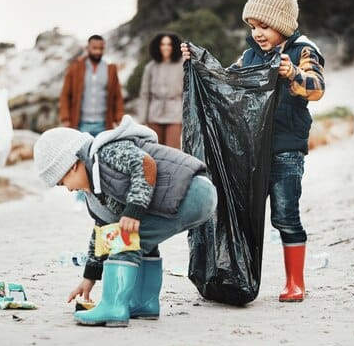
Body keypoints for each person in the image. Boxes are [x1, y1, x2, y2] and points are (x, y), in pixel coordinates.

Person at [182, 0, 325, 302]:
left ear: (283, 23)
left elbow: (317, 87)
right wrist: (197, 61)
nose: (258, 33)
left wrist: (293, 75)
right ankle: (238, 272)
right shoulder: (250, 55)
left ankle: (295, 282)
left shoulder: (302, 49)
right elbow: (225, 81)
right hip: (251, 151)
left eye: (264, 26)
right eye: (252, 27)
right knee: (243, 212)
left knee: (285, 213)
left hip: (286, 148)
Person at [34, 115, 217, 327]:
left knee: (125, 240)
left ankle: (114, 306)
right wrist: (89, 277)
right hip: (188, 198)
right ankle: (144, 303)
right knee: (137, 240)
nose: (68, 189)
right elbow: (102, 233)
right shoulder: (94, 192)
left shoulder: (105, 152)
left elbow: (145, 164)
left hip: (193, 191)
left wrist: (134, 210)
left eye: (62, 181)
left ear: (72, 165)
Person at [59, 34, 124, 208]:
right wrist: (66, 118)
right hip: (82, 123)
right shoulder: (76, 68)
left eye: (101, 48)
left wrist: (119, 118)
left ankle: (103, 199)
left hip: (104, 123)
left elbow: (117, 96)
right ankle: (81, 199)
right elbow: (66, 94)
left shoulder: (110, 69)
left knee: (103, 161)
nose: (98, 51)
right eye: (94, 48)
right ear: (88, 48)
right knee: (80, 161)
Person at [136, 32, 184, 149]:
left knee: (173, 151)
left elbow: (187, 92)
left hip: (175, 113)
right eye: (163, 44)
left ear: (174, 47)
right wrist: (142, 118)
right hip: (154, 114)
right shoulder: (150, 67)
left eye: (169, 44)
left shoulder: (182, 65)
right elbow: (144, 94)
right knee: (155, 150)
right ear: (158, 47)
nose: (166, 47)